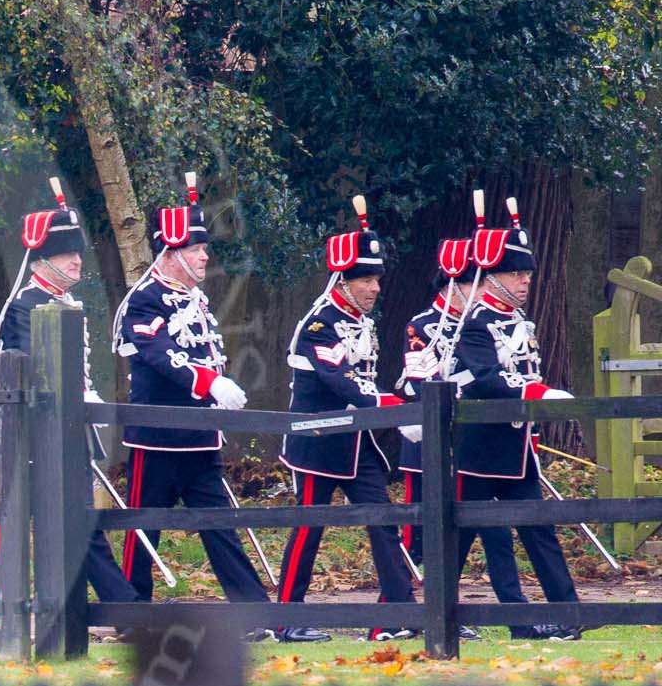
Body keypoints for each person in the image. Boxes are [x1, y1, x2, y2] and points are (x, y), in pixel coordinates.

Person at [109, 172, 271, 606]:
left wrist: (219, 387)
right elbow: (160, 355)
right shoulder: (146, 298)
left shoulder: (192, 297)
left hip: (200, 437)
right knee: (142, 534)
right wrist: (211, 381)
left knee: (222, 528)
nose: (204, 258)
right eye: (197, 250)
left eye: (203, 250)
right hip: (158, 437)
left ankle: (255, 612)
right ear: (173, 252)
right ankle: (131, 612)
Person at [272, 197, 416, 642]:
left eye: (375, 279)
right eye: (365, 280)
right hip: (319, 441)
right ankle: (286, 618)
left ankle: (397, 615)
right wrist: (394, 408)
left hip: (359, 444)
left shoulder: (359, 318)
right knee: (308, 529)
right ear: (344, 280)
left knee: (383, 522)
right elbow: (343, 383)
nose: (374, 288)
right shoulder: (321, 323)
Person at [0, 179, 139, 609]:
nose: (77, 260)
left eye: (76, 251)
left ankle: (121, 605)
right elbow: (28, 373)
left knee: (80, 521)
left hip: (69, 431)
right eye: (66, 253)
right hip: (34, 434)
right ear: (42, 259)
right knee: (19, 526)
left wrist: (84, 398)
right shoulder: (25, 305)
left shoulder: (67, 302)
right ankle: (0, 608)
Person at [453, 197, 583, 641]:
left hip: (517, 451)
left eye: (526, 273)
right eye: (515, 273)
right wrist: (538, 393)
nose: (525, 281)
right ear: (492, 277)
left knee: (539, 531)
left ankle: (570, 615)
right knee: (456, 539)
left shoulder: (518, 320)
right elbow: (488, 380)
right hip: (481, 450)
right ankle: (435, 613)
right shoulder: (476, 324)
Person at [396, 235, 499, 640]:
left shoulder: (483, 326)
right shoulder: (421, 325)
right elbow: (419, 381)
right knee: (415, 534)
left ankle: (446, 610)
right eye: (473, 285)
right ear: (452, 287)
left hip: (468, 444)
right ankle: (403, 612)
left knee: (458, 530)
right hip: (426, 441)